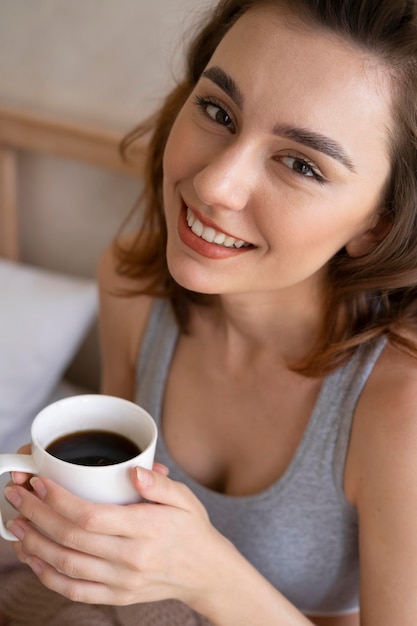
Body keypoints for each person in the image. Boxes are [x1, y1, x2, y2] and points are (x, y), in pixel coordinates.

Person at [4, 0, 417, 624]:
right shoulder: (132, 286)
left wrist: (209, 575)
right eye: (218, 111)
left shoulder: (399, 408)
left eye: (302, 164)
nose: (215, 186)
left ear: (378, 223)